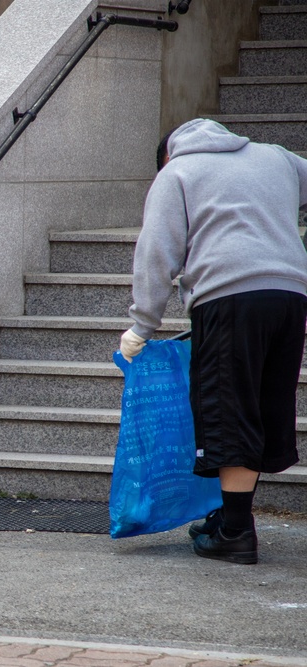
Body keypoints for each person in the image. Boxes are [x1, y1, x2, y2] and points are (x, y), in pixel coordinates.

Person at [120, 118, 307, 564]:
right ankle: (229, 517)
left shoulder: (178, 173)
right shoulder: (276, 157)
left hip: (229, 299)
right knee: (260, 406)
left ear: (167, 156)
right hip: (289, 297)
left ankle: (237, 534)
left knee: (230, 410)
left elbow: (156, 251)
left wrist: (142, 325)